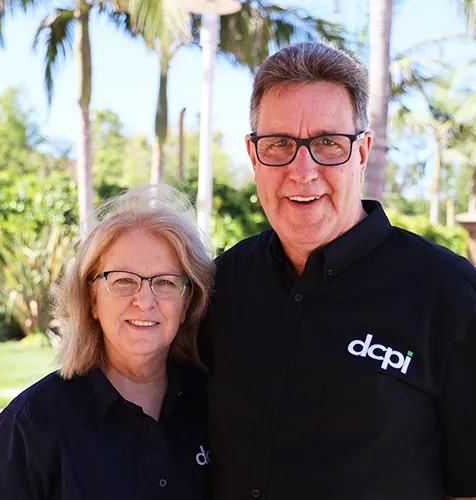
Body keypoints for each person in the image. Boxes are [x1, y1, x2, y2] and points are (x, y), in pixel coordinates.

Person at [201, 41, 476, 500]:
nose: (302, 170)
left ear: (362, 152)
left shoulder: (449, 294)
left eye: (328, 143)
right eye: (279, 144)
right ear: (254, 157)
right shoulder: (219, 285)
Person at [0, 184, 215, 500]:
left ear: (187, 303)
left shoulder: (215, 406)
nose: (145, 301)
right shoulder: (33, 425)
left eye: (166, 282)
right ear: (91, 299)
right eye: (123, 281)